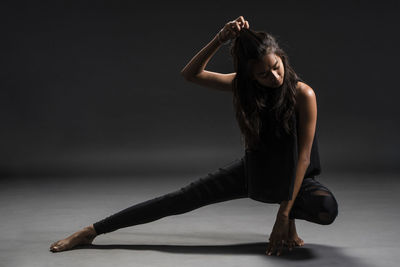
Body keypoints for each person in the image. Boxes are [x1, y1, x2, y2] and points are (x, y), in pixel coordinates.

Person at [49, 16, 338, 257]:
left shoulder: (303, 94)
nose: (274, 77)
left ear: (282, 58)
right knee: (178, 200)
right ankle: (91, 231)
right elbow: (190, 74)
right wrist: (219, 38)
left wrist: (284, 217)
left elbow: (302, 157)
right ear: (250, 76)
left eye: (276, 67)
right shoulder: (242, 87)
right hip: (256, 173)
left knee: (325, 209)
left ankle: (288, 213)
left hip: (294, 177)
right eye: (263, 74)